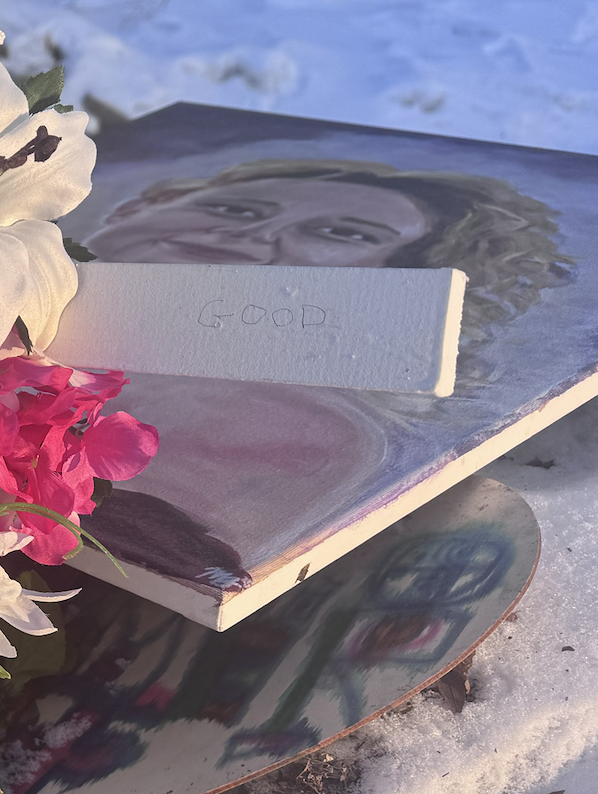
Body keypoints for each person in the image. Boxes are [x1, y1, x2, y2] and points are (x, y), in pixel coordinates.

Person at [80, 157, 573, 588]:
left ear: (391, 281)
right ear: (132, 210)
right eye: (235, 209)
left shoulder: (296, 429)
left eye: (343, 233)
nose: (251, 235)